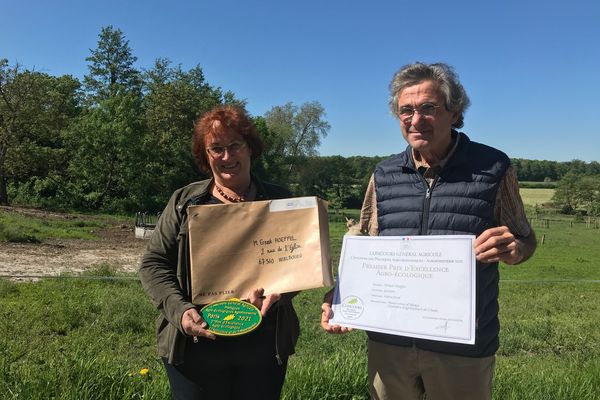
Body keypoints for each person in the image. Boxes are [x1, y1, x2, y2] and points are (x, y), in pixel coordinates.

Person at [321, 62, 537, 400]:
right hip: (389, 343)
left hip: (462, 347)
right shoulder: (384, 173)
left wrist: (515, 249)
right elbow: (363, 242)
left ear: (454, 112)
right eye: (406, 110)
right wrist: (341, 298)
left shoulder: (493, 167)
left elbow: (525, 237)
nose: (415, 119)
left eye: (428, 108)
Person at [139, 105, 299, 400]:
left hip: (264, 343)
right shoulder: (184, 202)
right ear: (206, 156)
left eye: (235, 145)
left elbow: (298, 263)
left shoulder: (282, 201)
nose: (227, 157)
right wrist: (181, 311)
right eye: (216, 149)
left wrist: (282, 292)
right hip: (196, 342)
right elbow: (154, 263)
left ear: (250, 147)